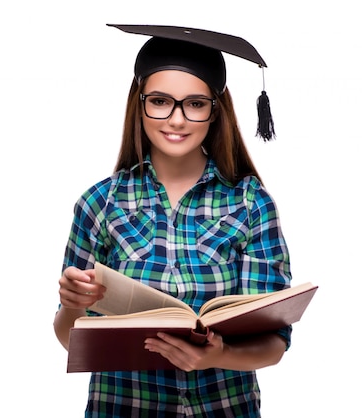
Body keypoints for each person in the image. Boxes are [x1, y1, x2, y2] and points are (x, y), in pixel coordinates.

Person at [54, 24, 292, 417]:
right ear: (139, 103)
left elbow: (273, 343)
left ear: (216, 111)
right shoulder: (100, 203)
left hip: (224, 407)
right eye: (161, 101)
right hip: (124, 407)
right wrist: (71, 305)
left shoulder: (250, 203)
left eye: (195, 104)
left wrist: (219, 355)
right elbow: (70, 339)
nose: (177, 120)